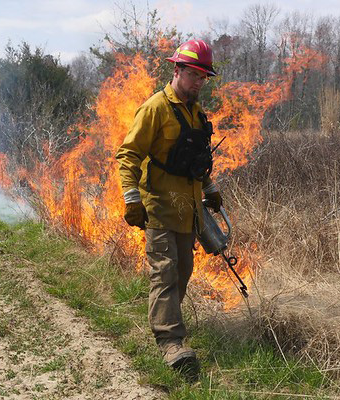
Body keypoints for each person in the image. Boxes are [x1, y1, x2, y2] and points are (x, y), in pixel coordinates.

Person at [116, 39, 223, 376]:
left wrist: (210, 188)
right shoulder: (155, 108)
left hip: (188, 212)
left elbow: (196, 161)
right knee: (165, 272)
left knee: (182, 273)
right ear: (177, 70)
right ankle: (171, 344)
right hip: (160, 207)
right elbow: (128, 155)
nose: (198, 82)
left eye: (203, 77)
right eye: (193, 74)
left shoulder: (196, 113)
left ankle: (165, 325)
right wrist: (131, 198)